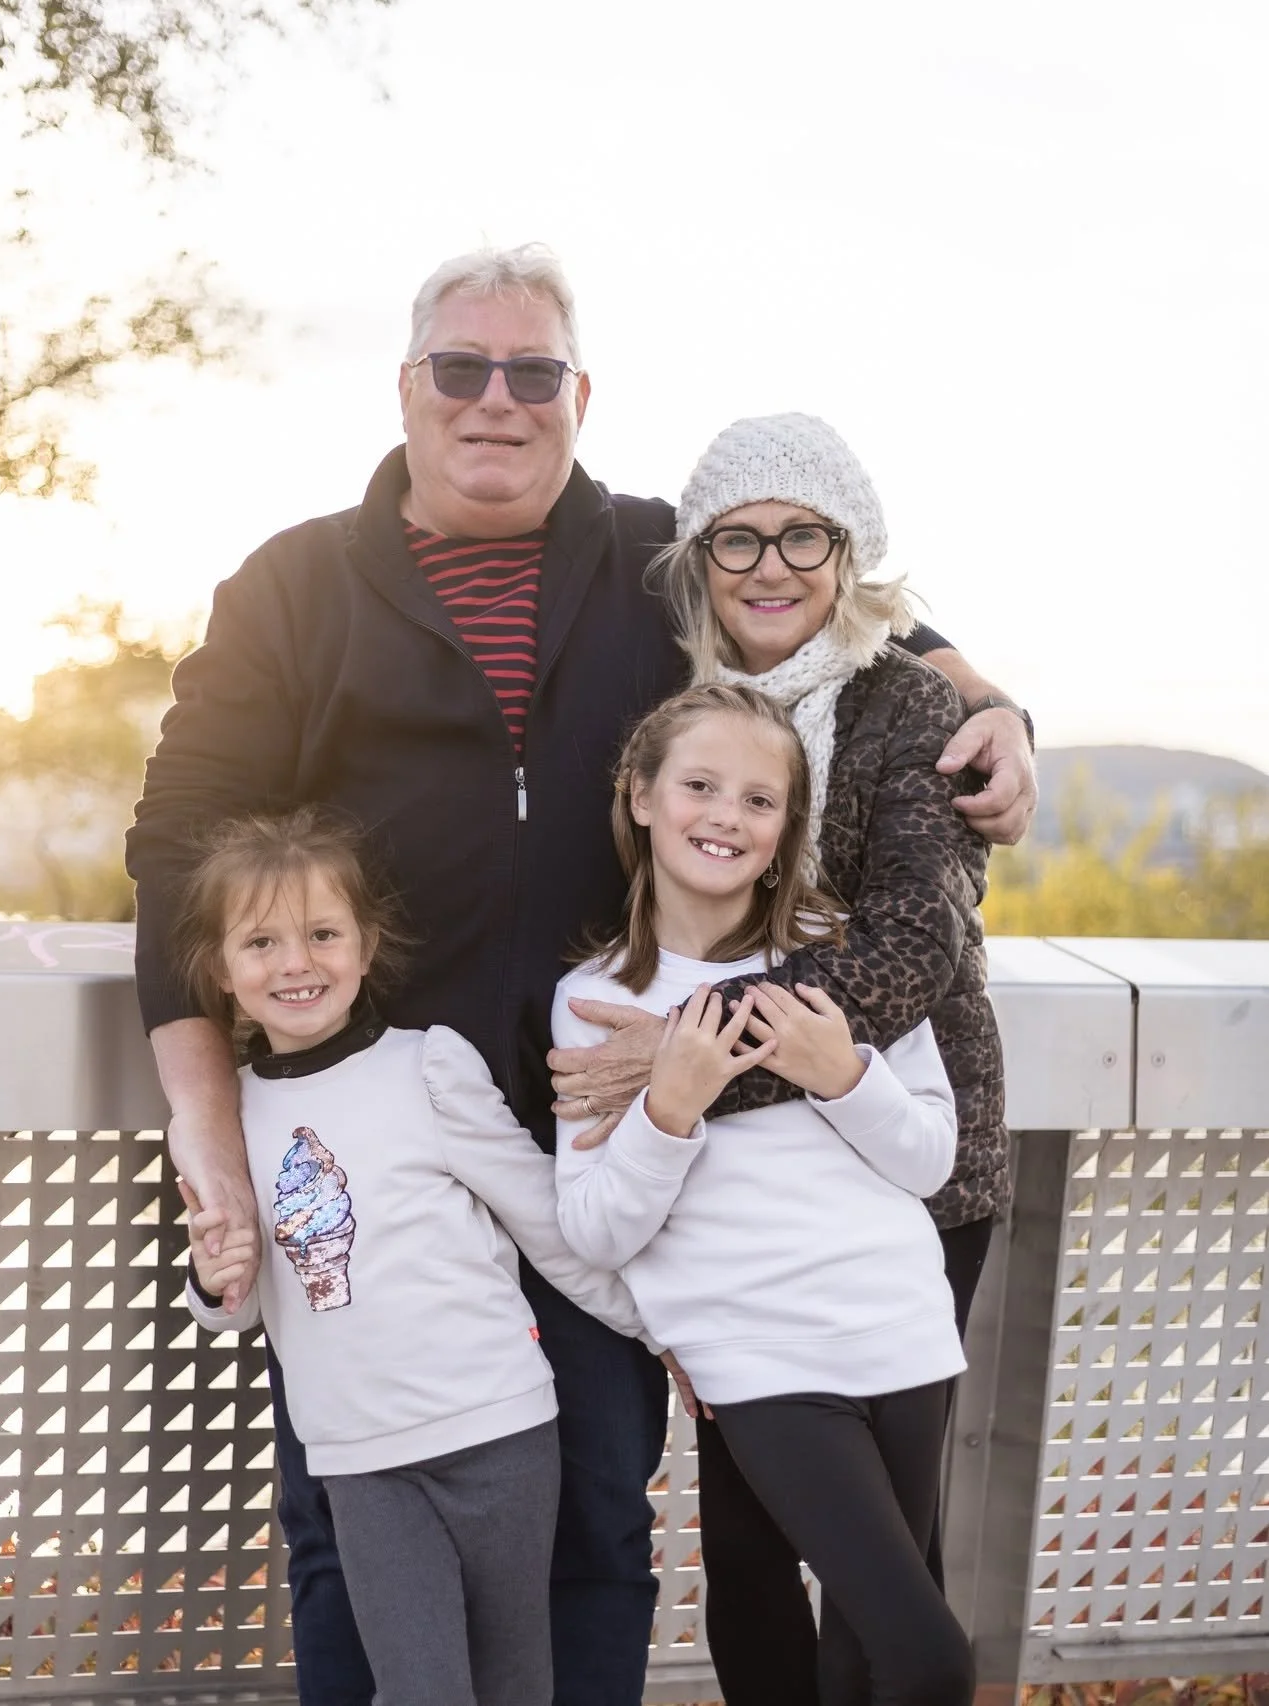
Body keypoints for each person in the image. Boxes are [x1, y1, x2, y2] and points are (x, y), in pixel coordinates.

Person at [124, 244, 1034, 1706]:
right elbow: (175, 845)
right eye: (461, 368)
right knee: (359, 1523)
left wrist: (998, 707)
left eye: (532, 371)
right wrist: (205, 1125)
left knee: (600, 1512)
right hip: (370, 1137)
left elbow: (832, 591)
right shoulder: (293, 587)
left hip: (605, 1120)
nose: (498, 399)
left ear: (578, 394)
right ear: (407, 388)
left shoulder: (654, 553)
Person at [549, 412, 1011, 1702]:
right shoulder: (675, 699)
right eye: (739, 537)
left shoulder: (908, 702)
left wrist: (687, 1058)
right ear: (699, 557)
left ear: (848, 552)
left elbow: (913, 944)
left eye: (804, 534)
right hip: (739, 1251)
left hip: (911, 1182)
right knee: (752, 1556)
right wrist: (676, 1076)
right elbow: (609, 1192)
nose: (772, 563)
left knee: (888, 1596)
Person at [174, 806, 649, 1706]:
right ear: (222, 973)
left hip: (499, 1429)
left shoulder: (429, 1067)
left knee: (515, 1683)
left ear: (366, 943)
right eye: (262, 942)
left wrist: (658, 1331)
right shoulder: (227, 1120)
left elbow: (547, 1223)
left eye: (322, 934)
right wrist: (211, 1275)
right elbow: (234, 1305)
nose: (296, 963)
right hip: (358, 1458)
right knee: (418, 1690)